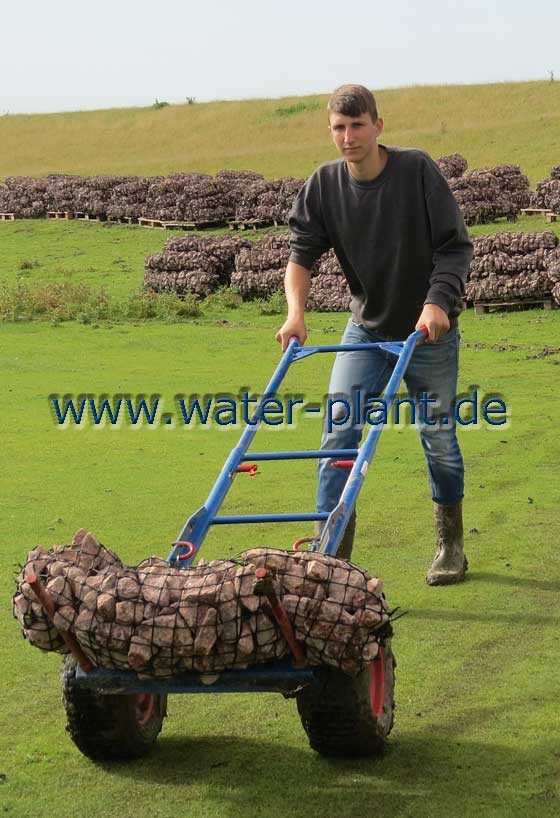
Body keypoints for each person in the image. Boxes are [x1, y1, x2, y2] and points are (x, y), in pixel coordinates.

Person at [276, 84, 473, 586]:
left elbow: (454, 247)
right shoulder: (323, 185)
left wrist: (437, 303)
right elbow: (301, 256)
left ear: (378, 126)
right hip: (364, 329)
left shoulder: (416, 171)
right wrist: (295, 314)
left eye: (357, 125)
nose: (348, 137)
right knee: (338, 434)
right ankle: (331, 559)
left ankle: (450, 543)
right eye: (339, 129)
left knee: (438, 437)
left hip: (426, 333)